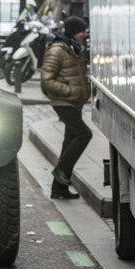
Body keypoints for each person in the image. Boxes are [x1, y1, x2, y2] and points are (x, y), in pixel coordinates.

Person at [40, 16, 92, 200]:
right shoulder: (57, 50)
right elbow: (46, 80)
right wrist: (69, 91)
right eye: (82, 31)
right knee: (84, 134)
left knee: (68, 143)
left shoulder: (74, 48)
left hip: (74, 102)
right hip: (64, 102)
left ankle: (59, 189)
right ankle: (61, 171)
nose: (85, 34)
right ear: (73, 32)